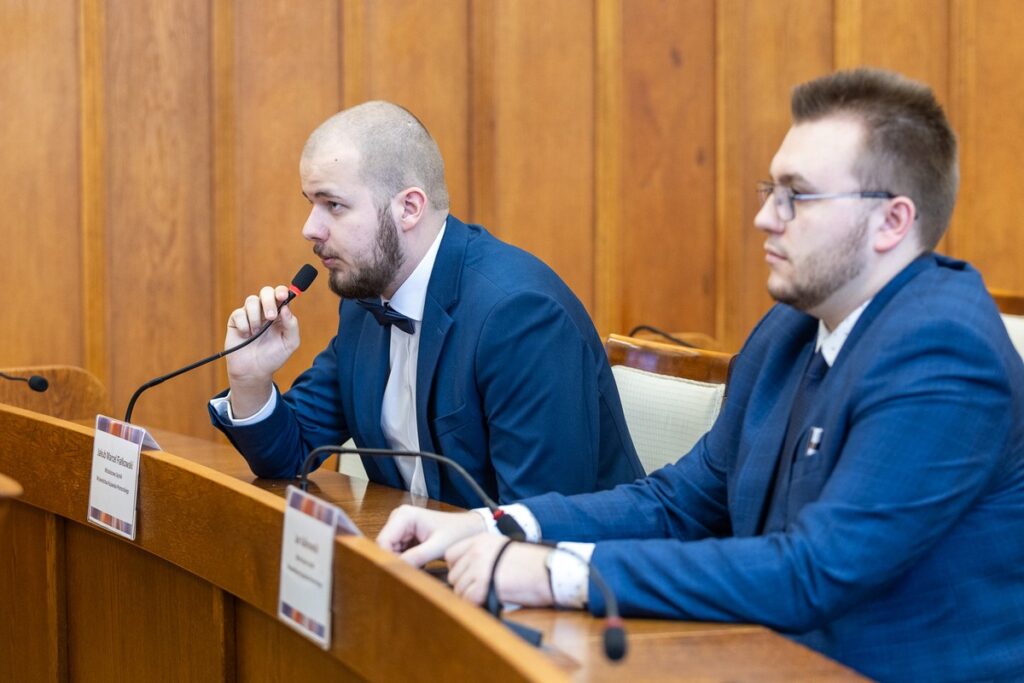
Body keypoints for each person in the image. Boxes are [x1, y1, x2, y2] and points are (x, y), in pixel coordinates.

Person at [376, 69, 1024, 681]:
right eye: (771, 192)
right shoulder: (789, 327)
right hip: (757, 654)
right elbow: (681, 501)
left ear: (892, 221)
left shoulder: (946, 352)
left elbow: (812, 572)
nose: (765, 217)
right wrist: (500, 525)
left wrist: (558, 573)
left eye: (797, 195)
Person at [209, 101, 643, 508]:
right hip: (424, 569)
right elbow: (289, 456)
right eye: (311, 204)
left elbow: (540, 525)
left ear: (409, 208)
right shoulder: (365, 305)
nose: (310, 229)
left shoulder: (519, 316)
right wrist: (249, 380)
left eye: (333, 205)